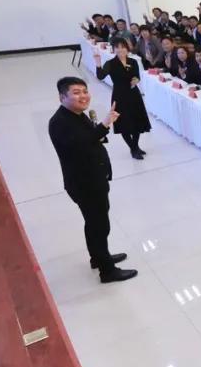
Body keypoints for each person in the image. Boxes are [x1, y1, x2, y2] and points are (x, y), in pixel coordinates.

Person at [47, 77, 136, 283]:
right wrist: (105, 124)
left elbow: (91, 138)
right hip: (85, 183)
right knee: (99, 225)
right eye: (76, 92)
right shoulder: (60, 122)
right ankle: (107, 271)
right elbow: (82, 145)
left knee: (95, 222)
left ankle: (98, 257)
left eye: (85, 91)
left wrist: (102, 127)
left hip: (93, 179)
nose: (83, 96)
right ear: (62, 97)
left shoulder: (77, 115)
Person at [95, 38, 150, 159]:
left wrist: (136, 80)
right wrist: (98, 63)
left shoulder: (133, 61)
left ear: (127, 48)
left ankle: (135, 146)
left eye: (123, 47)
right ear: (114, 49)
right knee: (124, 123)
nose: (120, 50)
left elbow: (137, 76)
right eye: (117, 47)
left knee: (137, 121)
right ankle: (133, 149)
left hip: (133, 94)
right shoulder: (110, 63)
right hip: (119, 95)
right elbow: (100, 76)